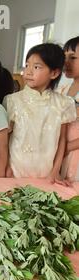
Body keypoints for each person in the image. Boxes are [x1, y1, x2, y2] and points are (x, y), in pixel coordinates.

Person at [4, 43, 76, 185]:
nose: (28, 71)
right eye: (27, 65)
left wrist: (55, 172)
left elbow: (61, 140)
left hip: (47, 174)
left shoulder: (64, 103)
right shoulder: (13, 100)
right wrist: (7, 167)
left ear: (54, 73)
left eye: (36, 67)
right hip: (16, 171)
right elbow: (5, 138)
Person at [59, 36, 79, 182]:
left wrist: (68, 146)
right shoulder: (62, 90)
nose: (66, 62)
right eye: (64, 57)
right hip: (62, 152)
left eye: (73, 57)